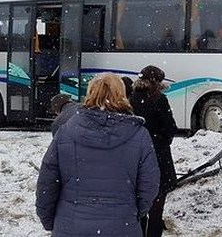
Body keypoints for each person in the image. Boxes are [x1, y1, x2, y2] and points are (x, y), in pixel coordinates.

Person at [35, 73, 160, 236]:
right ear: (122, 95)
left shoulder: (66, 132)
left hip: (71, 227)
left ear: (90, 94)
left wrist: (50, 221)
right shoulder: (139, 135)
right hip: (122, 226)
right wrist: (133, 212)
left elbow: (47, 184)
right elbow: (149, 186)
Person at [130, 65, 178, 237]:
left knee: (138, 206)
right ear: (156, 83)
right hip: (158, 158)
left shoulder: (130, 99)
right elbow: (170, 128)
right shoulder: (159, 100)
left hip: (134, 159)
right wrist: (162, 141)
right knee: (156, 209)